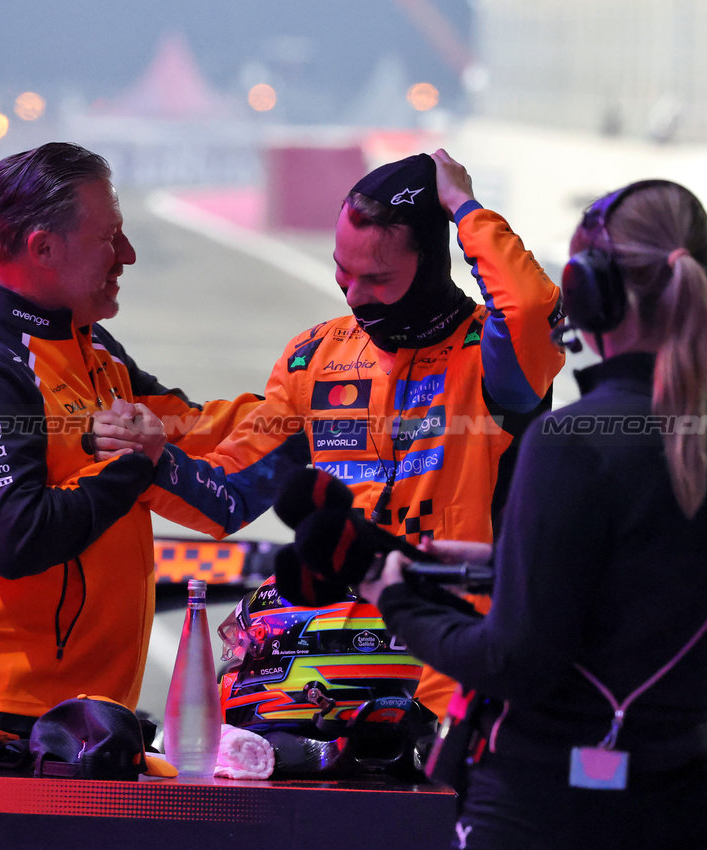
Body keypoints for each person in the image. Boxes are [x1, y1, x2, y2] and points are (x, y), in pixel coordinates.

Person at [360, 180, 707, 850]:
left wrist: (396, 596)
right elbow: (638, 583)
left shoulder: (571, 441)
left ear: (586, 292)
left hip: (545, 809)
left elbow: (513, 662)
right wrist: (503, 563)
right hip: (685, 810)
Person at [103, 149, 565, 717]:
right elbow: (229, 496)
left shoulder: (493, 360)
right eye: (342, 270)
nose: (352, 293)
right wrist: (155, 462)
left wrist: (464, 207)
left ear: (433, 262)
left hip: (456, 672)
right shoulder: (313, 358)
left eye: (377, 278)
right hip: (330, 674)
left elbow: (529, 307)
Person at [0, 142, 260, 849]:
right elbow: (19, 537)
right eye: (109, 235)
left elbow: (193, 428)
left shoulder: (92, 347)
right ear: (42, 247)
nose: (126, 252)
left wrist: (309, 411)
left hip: (88, 718)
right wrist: (134, 463)